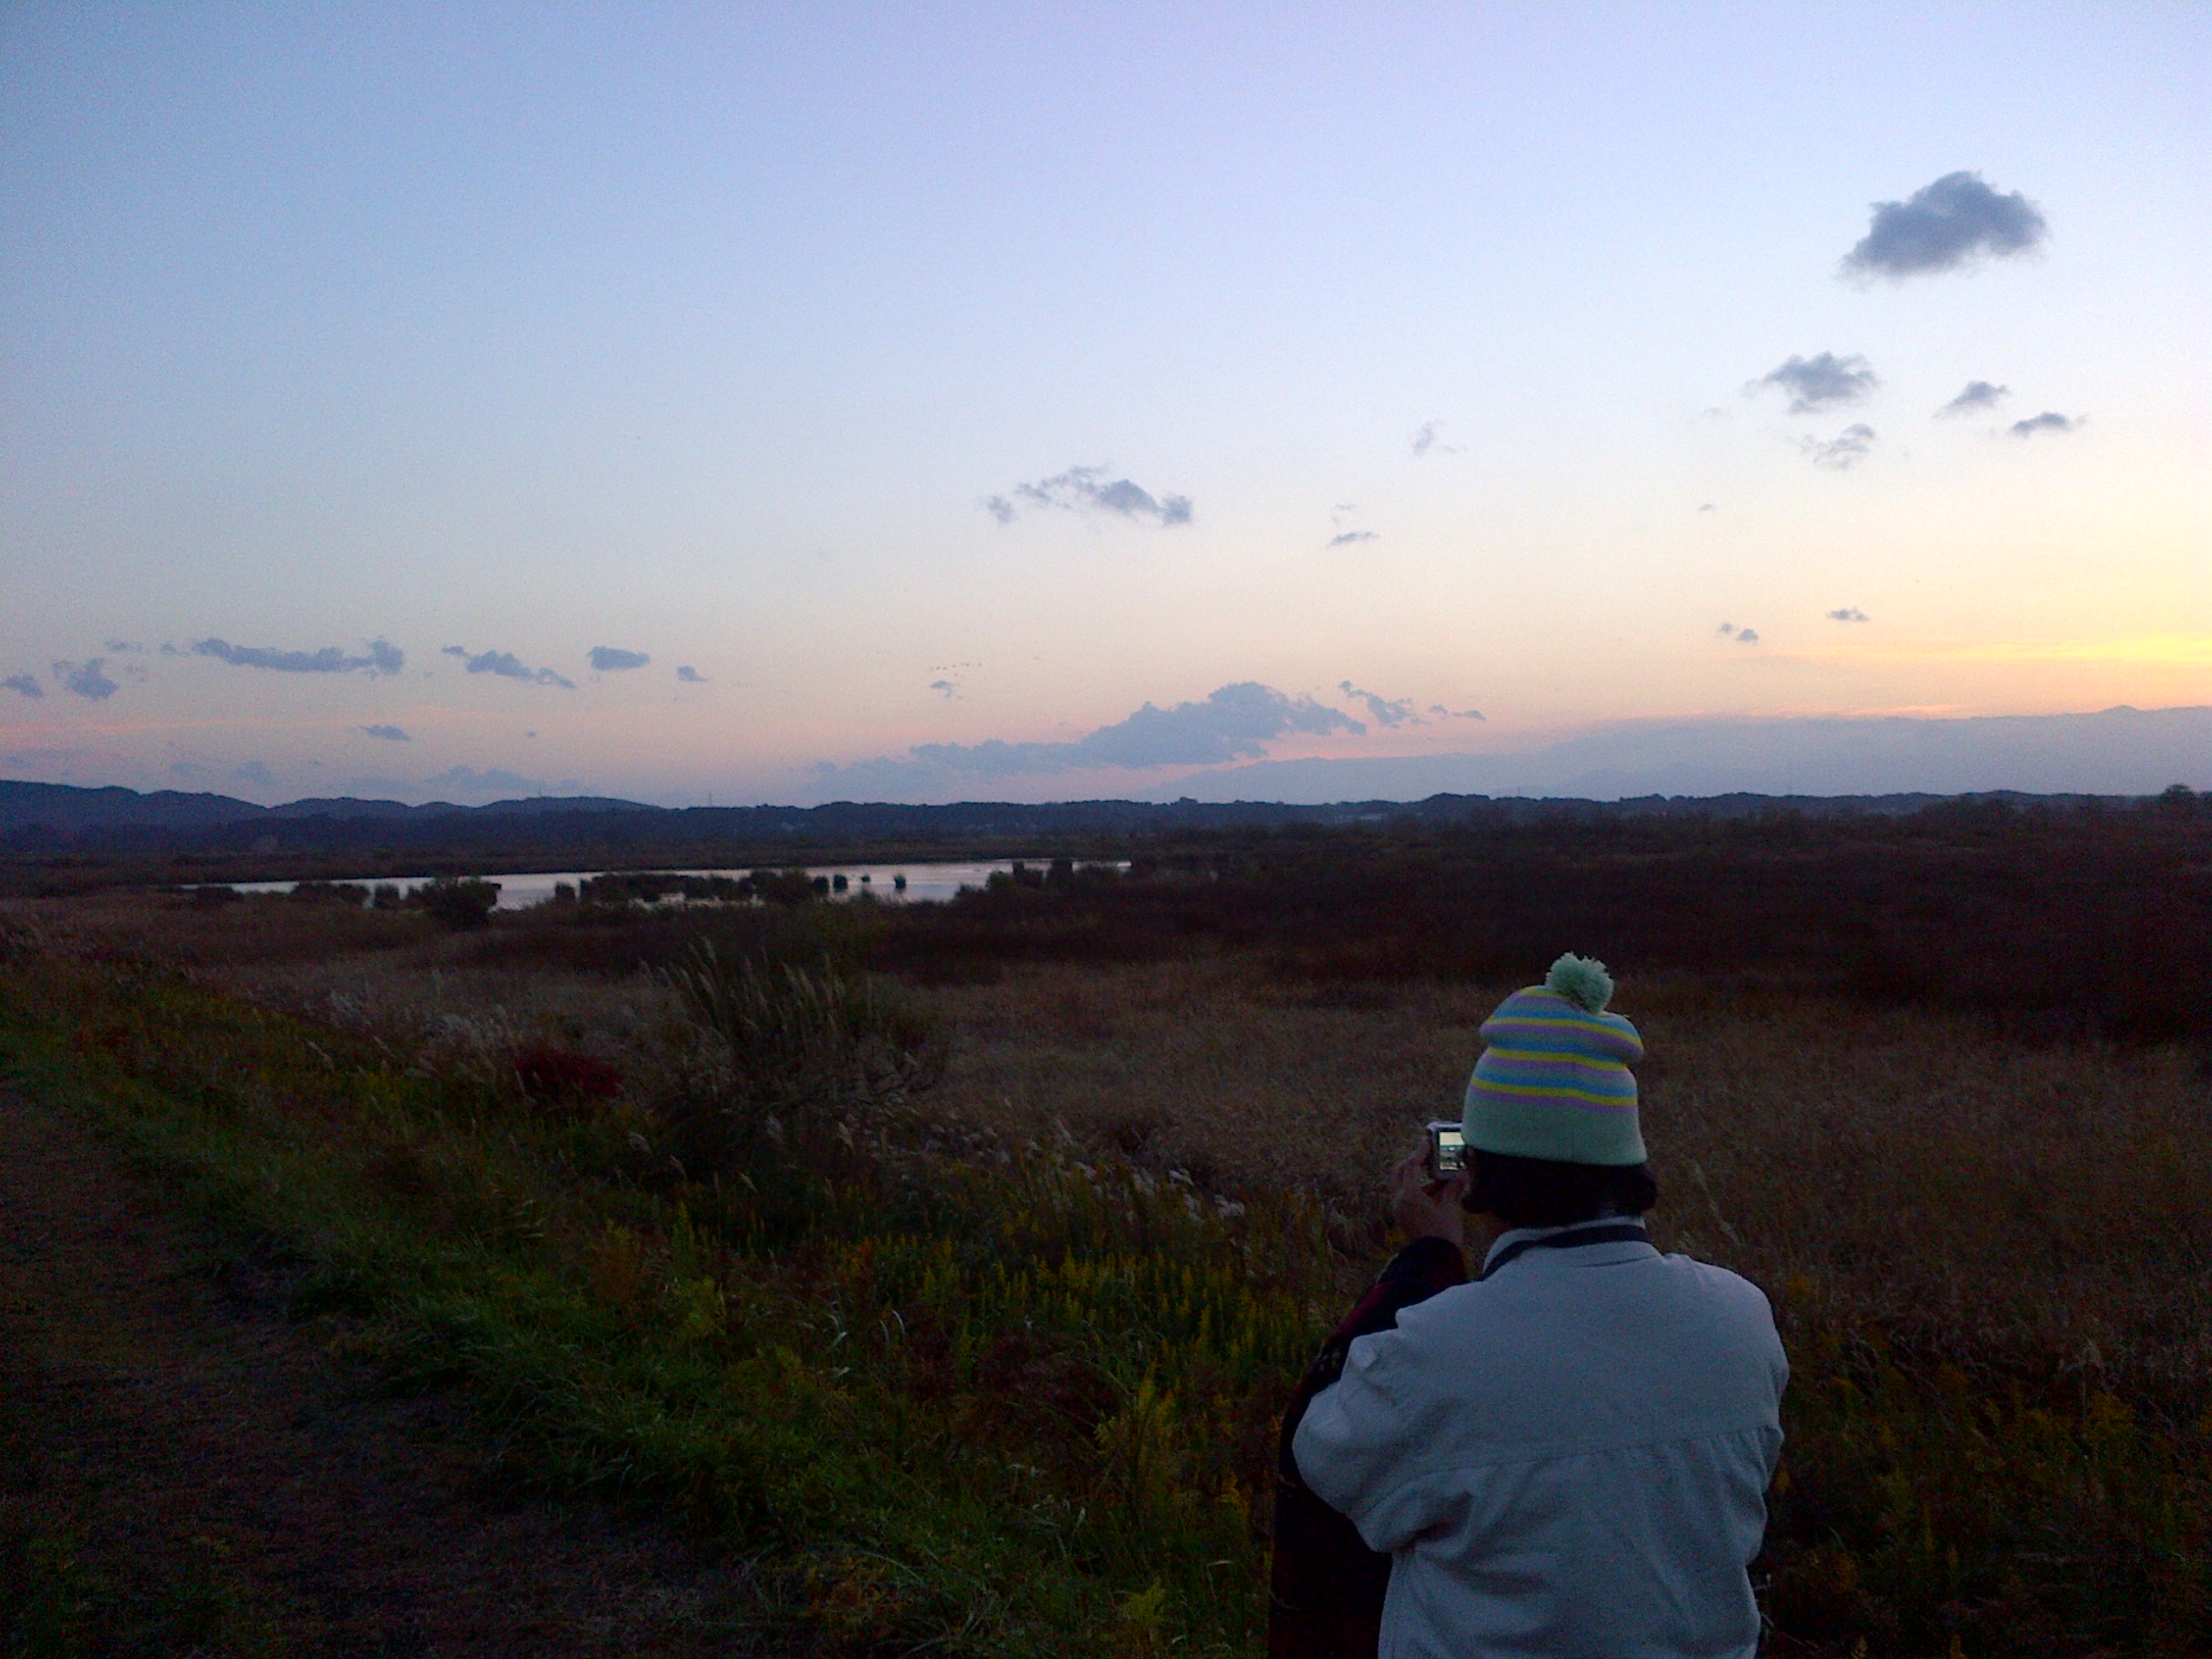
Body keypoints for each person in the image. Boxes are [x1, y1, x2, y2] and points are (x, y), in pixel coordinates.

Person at [1268, 955, 1787, 1659]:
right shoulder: (1741, 1318)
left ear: (1472, 1176)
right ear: (1629, 1165)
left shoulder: (1440, 1348)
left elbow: (1322, 1455)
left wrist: (1427, 1260)